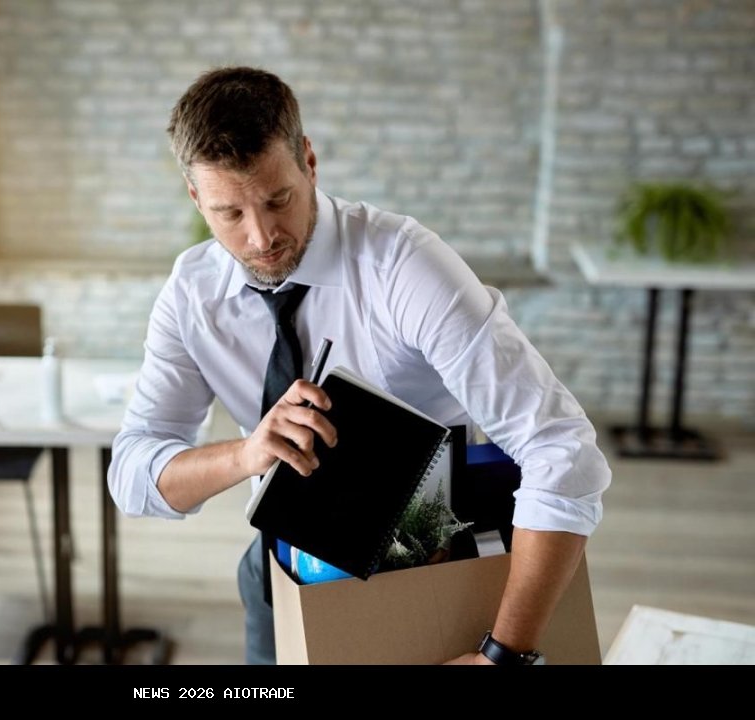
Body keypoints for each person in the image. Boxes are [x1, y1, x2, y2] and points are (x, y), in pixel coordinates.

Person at [108, 66, 611, 665]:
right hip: (281, 575)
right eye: (229, 214)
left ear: (309, 161)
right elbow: (133, 474)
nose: (261, 237)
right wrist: (246, 455)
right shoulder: (191, 294)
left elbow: (563, 451)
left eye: (278, 200)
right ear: (196, 198)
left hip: (432, 573)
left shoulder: (404, 266)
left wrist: (505, 655)